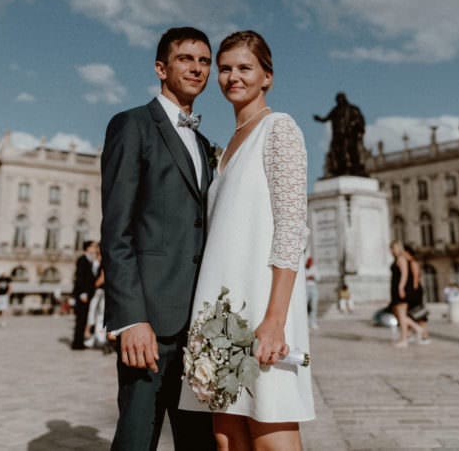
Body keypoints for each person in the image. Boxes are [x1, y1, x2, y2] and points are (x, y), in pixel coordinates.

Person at [178, 30, 315, 448]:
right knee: (226, 437)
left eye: (244, 68)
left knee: (270, 427)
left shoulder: (279, 129)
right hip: (220, 312)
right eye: (224, 69)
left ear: (267, 77)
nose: (232, 77)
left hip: (261, 305)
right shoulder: (225, 147)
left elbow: (292, 226)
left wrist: (275, 318)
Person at [100, 26, 216, 450]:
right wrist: (130, 318)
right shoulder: (131, 125)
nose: (197, 68)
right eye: (186, 59)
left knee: (198, 443)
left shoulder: (204, 144)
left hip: (199, 328)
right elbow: (117, 229)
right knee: (137, 439)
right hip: (148, 324)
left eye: (204, 61)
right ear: (161, 68)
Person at [390, 241, 425, 347]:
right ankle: (416, 329)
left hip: (400, 289)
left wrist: (401, 287)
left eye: (393, 248)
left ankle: (404, 339)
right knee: (399, 314)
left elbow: (404, 274)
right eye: (391, 248)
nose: (391, 251)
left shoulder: (401, 259)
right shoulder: (397, 259)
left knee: (401, 315)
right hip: (396, 289)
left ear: (398, 248)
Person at [71, 240, 101, 350]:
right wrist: (83, 293)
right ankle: (77, 343)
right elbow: (80, 277)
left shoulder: (90, 260)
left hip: (87, 294)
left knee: (83, 319)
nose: (95, 249)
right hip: (82, 295)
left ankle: (79, 341)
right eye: (93, 247)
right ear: (87, 248)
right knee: (80, 319)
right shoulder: (82, 260)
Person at [405, 246, 430, 344]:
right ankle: (409, 334)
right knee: (412, 314)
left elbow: (415, 278)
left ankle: (425, 336)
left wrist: (412, 293)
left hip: (414, 291)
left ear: (408, 253)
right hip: (413, 291)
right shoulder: (409, 263)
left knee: (419, 315)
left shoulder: (413, 263)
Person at [306, 258, 319, 328]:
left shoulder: (314, 268)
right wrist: (308, 277)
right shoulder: (304, 268)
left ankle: (313, 322)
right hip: (306, 288)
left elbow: (318, 278)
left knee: (314, 306)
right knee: (306, 306)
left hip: (313, 288)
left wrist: (312, 277)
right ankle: (306, 323)